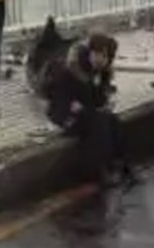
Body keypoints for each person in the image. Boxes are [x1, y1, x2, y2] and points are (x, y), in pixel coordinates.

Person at [40, 33, 137, 188]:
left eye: (105, 57)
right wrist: (77, 106)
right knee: (99, 123)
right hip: (65, 117)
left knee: (112, 120)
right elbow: (60, 100)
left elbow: (98, 101)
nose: (101, 59)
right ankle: (100, 171)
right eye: (98, 54)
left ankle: (123, 164)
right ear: (90, 52)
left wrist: (101, 96)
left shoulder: (101, 73)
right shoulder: (71, 70)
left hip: (85, 113)